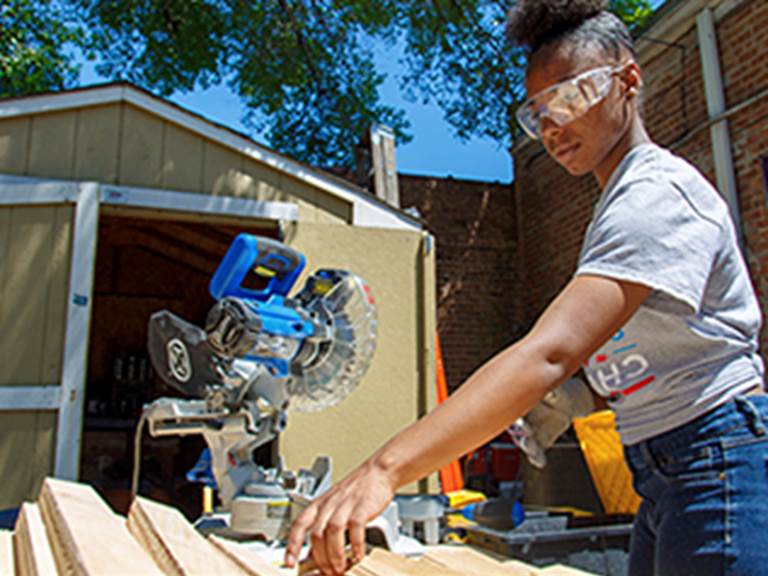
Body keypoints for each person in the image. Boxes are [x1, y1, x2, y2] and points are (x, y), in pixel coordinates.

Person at [285, 1, 768, 574]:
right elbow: (663, 344)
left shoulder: (654, 196)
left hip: (717, 461)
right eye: (536, 111)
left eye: (569, 96)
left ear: (628, 80)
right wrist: (584, 394)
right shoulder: (614, 205)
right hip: (665, 469)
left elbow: (551, 352)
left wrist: (385, 469)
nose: (551, 125)